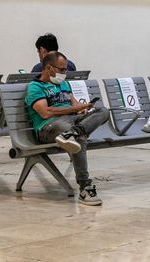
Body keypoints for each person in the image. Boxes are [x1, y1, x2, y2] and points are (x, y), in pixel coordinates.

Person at [0, 32, 79, 152]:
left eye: (38, 52)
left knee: (3, 112)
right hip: (64, 112)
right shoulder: (70, 65)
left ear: (42, 50)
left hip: (41, 115)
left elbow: (32, 91)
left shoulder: (40, 67)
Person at [26, 51, 108, 205]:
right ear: (49, 68)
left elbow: (74, 104)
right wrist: (74, 110)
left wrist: (83, 108)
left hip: (71, 123)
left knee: (103, 111)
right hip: (49, 126)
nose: (65, 73)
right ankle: (85, 187)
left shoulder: (63, 84)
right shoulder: (35, 87)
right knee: (79, 139)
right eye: (62, 70)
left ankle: (73, 133)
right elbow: (45, 112)